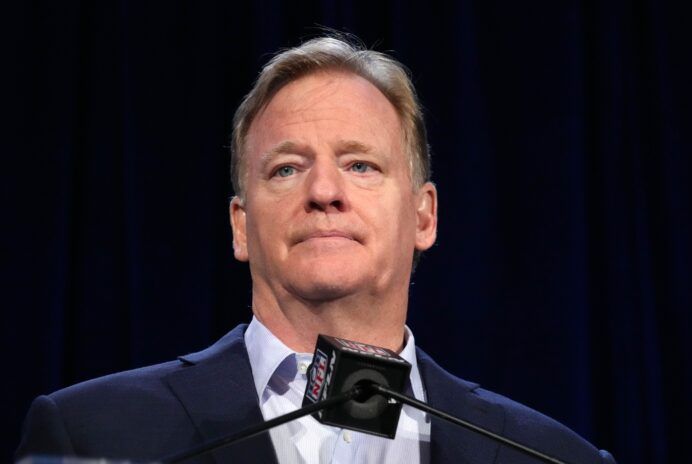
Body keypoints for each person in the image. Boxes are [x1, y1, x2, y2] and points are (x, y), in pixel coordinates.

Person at [16, 35, 615, 464]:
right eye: (285, 169)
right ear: (241, 226)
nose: (324, 192)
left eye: (361, 165)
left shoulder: (550, 456)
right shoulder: (92, 435)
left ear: (424, 215)